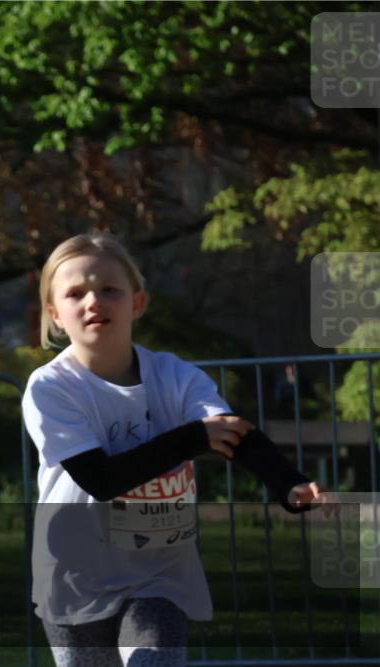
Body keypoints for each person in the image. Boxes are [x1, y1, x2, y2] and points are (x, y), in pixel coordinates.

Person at [21, 232, 325, 667]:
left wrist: (288, 482)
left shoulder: (175, 376)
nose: (94, 301)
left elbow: (228, 431)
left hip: (158, 573)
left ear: (137, 302)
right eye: (76, 293)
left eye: (109, 289)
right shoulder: (50, 388)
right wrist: (192, 438)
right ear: (54, 314)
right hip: (76, 573)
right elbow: (100, 479)